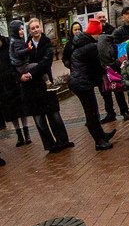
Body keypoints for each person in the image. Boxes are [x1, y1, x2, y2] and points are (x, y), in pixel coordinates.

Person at [18, 18, 72, 154]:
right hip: (31, 87)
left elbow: (46, 63)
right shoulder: (26, 46)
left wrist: (30, 73)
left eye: (37, 27)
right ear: (29, 31)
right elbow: (19, 64)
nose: (35, 30)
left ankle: (63, 141)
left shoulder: (47, 43)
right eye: (33, 28)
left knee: (54, 113)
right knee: (38, 117)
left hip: (46, 84)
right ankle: (50, 144)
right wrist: (21, 76)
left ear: (41, 28)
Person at [68, 22, 115, 151]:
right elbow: (97, 66)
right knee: (91, 113)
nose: (99, 36)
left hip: (79, 81)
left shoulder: (81, 43)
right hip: (82, 83)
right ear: (94, 33)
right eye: (99, 33)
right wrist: (107, 71)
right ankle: (98, 141)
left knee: (93, 111)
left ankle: (102, 135)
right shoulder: (91, 46)